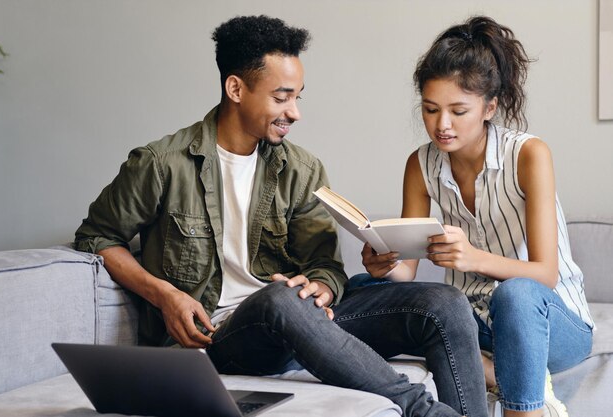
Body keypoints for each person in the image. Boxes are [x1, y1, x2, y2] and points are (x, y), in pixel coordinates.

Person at [75, 15, 487, 417]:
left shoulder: (301, 169)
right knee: (279, 298)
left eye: (297, 97)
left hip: (302, 325)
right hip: (220, 338)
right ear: (236, 88)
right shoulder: (162, 164)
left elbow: (324, 264)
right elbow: (97, 237)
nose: (294, 112)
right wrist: (165, 296)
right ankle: (424, 412)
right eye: (281, 97)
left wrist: (322, 288)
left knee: (443, 302)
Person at [358, 15, 594, 417]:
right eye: (431, 110)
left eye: (458, 110)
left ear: (490, 107)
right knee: (362, 289)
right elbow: (406, 273)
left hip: (548, 321)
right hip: (472, 322)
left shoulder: (528, 155)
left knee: (515, 294)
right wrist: (383, 261)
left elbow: (545, 275)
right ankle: (495, 374)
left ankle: (527, 409)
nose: (442, 125)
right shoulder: (421, 164)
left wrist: (472, 258)